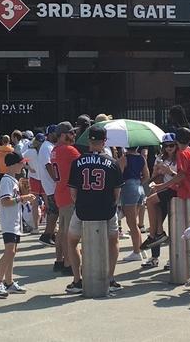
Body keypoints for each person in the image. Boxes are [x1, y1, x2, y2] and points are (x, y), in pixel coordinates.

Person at [65, 125, 125, 294]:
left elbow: (73, 192)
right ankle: (110, 278)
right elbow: (117, 193)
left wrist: (82, 203)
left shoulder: (77, 162)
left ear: (89, 141)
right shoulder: (113, 164)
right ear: (104, 141)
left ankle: (77, 280)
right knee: (113, 241)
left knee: (72, 242)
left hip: (83, 209)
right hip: (107, 210)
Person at [0, 151, 36, 298]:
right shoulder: (6, 181)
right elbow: (5, 201)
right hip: (9, 222)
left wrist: (23, 198)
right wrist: (22, 198)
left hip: (15, 222)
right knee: (9, 251)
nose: (23, 165)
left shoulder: (13, 180)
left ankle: (9, 282)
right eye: (21, 163)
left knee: (12, 252)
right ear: (13, 165)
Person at [141, 132, 178, 268]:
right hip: (162, 192)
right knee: (156, 225)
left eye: (172, 145)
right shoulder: (160, 158)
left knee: (175, 227)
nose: (169, 148)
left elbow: (182, 177)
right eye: (166, 145)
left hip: (176, 194)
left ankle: (174, 257)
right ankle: (154, 256)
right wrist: (156, 173)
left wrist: (169, 171)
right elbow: (153, 179)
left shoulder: (180, 158)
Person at [51, 121, 81, 277]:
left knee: (62, 230)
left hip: (59, 192)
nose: (74, 135)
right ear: (63, 135)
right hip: (68, 194)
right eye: (71, 133)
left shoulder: (55, 150)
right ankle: (69, 263)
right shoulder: (69, 150)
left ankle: (60, 261)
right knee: (69, 232)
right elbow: (83, 164)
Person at [118, 146, 148, 262]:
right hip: (139, 187)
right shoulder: (141, 158)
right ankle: (141, 248)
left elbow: (119, 176)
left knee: (131, 223)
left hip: (128, 187)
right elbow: (146, 176)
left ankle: (136, 252)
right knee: (134, 223)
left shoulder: (124, 158)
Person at [37, 125, 61, 254]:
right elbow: (48, 165)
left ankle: (50, 234)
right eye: (55, 133)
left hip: (50, 184)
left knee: (54, 210)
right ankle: (46, 235)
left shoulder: (48, 146)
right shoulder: (47, 147)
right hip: (51, 184)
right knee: (54, 211)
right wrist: (57, 179)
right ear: (50, 134)